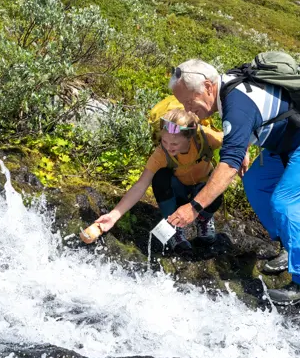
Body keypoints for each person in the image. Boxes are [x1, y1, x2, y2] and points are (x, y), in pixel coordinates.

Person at [167, 58, 300, 306]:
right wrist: (243, 145)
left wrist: (194, 207)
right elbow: (256, 116)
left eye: (188, 101)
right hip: (287, 139)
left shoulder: (237, 105)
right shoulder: (228, 87)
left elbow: (228, 165)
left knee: (286, 203)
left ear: (208, 87)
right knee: (255, 183)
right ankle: (287, 246)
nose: (187, 109)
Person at [92, 108, 223, 253]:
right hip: (179, 192)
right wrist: (113, 216)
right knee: (160, 177)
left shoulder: (205, 138)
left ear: (189, 137)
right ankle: (174, 225)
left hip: (202, 190)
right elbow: (140, 185)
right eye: (165, 141)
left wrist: (245, 156)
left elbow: (238, 139)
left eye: (174, 144)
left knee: (216, 185)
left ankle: (204, 219)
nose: (168, 147)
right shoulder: (161, 154)